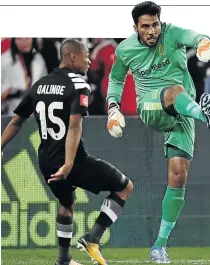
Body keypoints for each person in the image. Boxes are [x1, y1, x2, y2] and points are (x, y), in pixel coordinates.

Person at [1, 39, 133, 265]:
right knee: (124, 187)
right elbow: (74, 126)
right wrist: (70, 163)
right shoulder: (78, 84)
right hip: (71, 161)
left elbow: (16, 121)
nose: (90, 60)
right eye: (86, 55)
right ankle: (92, 239)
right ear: (73, 56)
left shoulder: (40, 84)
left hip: (46, 162)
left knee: (67, 204)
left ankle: (64, 260)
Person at [105, 1, 210, 263]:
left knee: (178, 175)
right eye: (145, 26)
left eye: (155, 24)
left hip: (183, 111)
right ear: (135, 27)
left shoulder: (172, 33)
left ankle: (159, 246)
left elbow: (194, 36)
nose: (152, 30)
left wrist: (203, 43)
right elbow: (116, 79)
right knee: (175, 91)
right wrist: (113, 109)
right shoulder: (126, 49)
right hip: (151, 104)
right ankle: (205, 115)